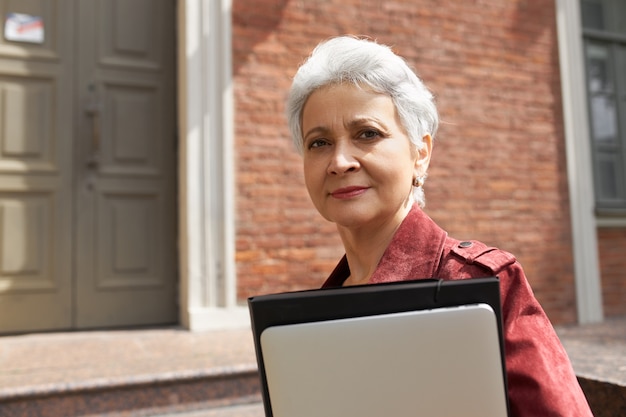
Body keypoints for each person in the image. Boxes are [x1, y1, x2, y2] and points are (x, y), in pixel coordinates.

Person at [285, 35, 593, 417]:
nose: (340, 161)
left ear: (420, 154)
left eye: (368, 134)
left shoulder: (482, 287)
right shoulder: (304, 322)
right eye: (319, 143)